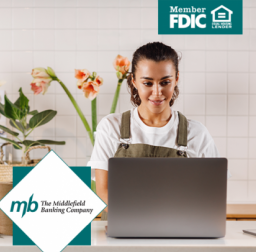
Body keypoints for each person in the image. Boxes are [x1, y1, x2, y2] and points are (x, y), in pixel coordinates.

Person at [87, 42, 231, 221]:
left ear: (176, 78)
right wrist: (147, 219)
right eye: (147, 83)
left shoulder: (197, 133)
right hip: (123, 231)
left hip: (181, 230)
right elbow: (103, 192)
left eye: (165, 82)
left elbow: (213, 192)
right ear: (133, 81)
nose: (157, 92)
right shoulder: (111, 127)